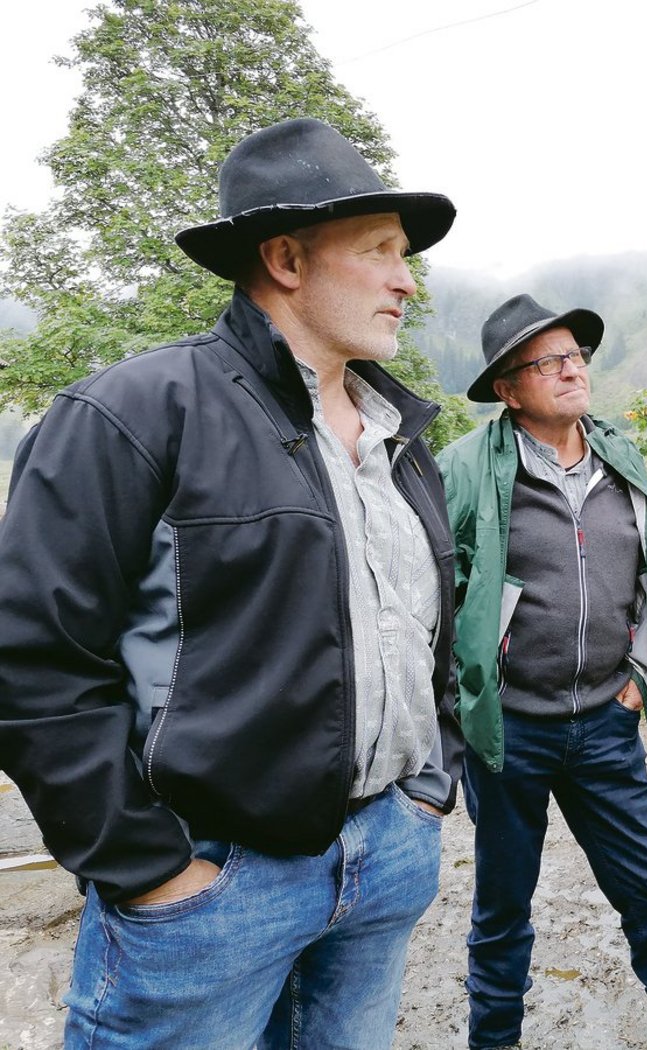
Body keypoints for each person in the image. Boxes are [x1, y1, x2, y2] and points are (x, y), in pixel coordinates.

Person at [0, 117, 465, 1049]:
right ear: (286, 259)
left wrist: (427, 788)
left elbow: (425, 633)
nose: (406, 281)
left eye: (404, 256)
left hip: (386, 858)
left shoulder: (399, 438)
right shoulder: (136, 411)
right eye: (379, 250)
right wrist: (148, 868)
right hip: (208, 887)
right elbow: (31, 658)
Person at [437, 294, 647, 1050]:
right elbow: (437, 592)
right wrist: (464, 699)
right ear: (509, 389)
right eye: (550, 362)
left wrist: (640, 670)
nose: (573, 370)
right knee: (503, 904)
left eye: (576, 356)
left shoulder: (619, 458)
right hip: (509, 731)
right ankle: (494, 1041)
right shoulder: (464, 469)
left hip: (605, 721)